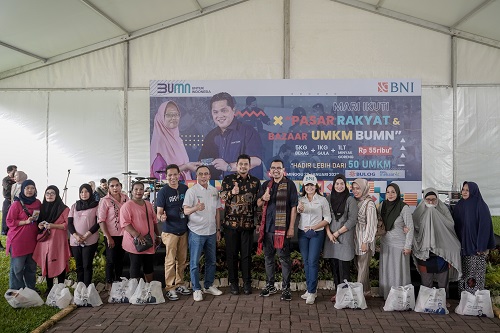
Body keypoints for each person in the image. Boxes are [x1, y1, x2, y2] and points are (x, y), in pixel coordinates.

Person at [219, 154, 261, 295]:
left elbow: (258, 205)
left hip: (248, 226)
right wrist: (232, 192)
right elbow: (222, 197)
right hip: (231, 225)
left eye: (246, 164)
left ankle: (247, 283)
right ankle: (234, 283)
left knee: (246, 255)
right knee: (231, 255)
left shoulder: (255, 182)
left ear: (249, 166)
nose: (243, 166)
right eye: (241, 164)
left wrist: (259, 222)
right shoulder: (228, 179)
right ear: (236, 165)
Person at [256, 159, 298, 301]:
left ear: (283, 169)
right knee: (268, 258)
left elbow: (294, 207)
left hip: (283, 229)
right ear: (270, 170)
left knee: (284, 259)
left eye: (278, 168)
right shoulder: (266, 185)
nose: (276, 170)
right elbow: (258, 203)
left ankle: (286, 288)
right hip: (267, 229)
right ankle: (270, 285)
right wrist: (264, 197)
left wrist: (291, 226)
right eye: (273, 168)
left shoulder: (290, 185)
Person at [198, 92, 264, 180]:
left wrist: (229, 167)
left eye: (224, 110)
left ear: (233, 110)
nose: (219, 115)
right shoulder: (210, 136)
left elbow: (256, 160)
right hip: (218, 189)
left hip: (244, 188)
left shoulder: (247, 131)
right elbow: (203, 162)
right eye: (215, 112)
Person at [412, 188, 461, 299]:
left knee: (443, 282)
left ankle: (443, 301)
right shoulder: (419, 211)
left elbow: (450, 225)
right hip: (424, 252)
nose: (430, 202)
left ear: (437, 199)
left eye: (433, 200)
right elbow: (414, 227)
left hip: (441, 252)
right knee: (426, 282)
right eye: (428, 199)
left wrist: (437, 218)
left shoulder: (443, 209)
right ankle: (425, 301)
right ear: (424, 199)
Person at [183, 165, 223, 301]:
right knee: (194, 263)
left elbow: (217, 211)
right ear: (196, 176)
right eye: (201, 174)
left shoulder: (214, 191)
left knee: (211, 261)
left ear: (210, 176)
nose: (203, 176)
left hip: (211, 232)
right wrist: (196, 208)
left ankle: (208, 285)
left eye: (206, 174)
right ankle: (196, 289)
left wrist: (218, 229)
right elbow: (185, 211)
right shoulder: (191, 192)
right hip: (196, 232)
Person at [156, 164, 192, 301]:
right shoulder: (163, 192)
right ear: (166, 176)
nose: (172, 177)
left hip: (183, 230)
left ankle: (180, 283)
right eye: (169, 175)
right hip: (170, 231)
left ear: (179, 175)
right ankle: (170, 288)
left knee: (182, 260)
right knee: (170, 260)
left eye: (175, 174)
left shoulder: (184, 188)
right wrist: (161, 217)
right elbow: (159, 212)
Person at [453, 181, 496, 294]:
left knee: (475, 276)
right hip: (462, 248)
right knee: (464, 275)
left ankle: (475, 301)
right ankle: (464, 301)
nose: (464, 192)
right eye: (463, 189)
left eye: (467, 190)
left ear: (473, 191)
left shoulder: (480, 205)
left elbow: (485, 228)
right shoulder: (459, 205)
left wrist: (481, 247)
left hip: (476, 250)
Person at [323, 174, 358, 302]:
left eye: (342, 184)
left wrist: (337, 233)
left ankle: (345, 293)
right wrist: (329, 233)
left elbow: (352, 220)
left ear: (345, 185)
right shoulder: (328, 199)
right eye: (337, 184)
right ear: (333, 185)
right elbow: (325, 218)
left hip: (344, 238)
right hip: (331, 238)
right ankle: (338, 293)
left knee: (344, 267)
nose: (339, 186)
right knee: (335, 266)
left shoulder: (350, 200)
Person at [297, 174, 331, 304]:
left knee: (312, 261)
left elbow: (328, 218)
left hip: (316, 233)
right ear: (304, 187)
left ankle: (311, 291)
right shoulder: (301, 199)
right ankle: (311, 289)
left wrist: (314, 227)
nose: (309, 187)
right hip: (303, 233)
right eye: (307, 185)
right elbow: (299, 211)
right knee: (306, 261)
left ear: (316, 186)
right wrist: (299, 209)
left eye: (312, 185)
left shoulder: (322, 200)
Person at [378, 183, 414, 300]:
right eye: (388, 192)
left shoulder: (403, 207)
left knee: (399, 272)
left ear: (398, 193)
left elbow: (410, 227)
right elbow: (377, 219)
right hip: (385, 243)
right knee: (387, 270)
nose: (390, 194)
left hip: (400, 245)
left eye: (393, 192)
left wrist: (408, 246)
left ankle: (400, 297)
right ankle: (387, 295)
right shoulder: (382, 205)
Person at [33, 185, 71, 293]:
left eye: (52, 193)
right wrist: (39, 225)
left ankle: (61, 287)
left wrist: (53, 226)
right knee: (47, 261)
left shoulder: (63, 208)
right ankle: (49, 289)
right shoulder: (42, 208)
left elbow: (67, 225)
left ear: (57, 195)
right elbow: (37, 222)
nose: (49, 195)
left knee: (60, 260)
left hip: (58, 240)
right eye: (47, 193)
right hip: (45, 240)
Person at [120, 182, 161, 282]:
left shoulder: (148, 204)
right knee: (135, 266)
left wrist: (158, 235)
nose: (139, 191)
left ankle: (149, 288)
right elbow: (126, 224)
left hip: (148, 241)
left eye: (141, 189)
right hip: (134, 242)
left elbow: (154, 221)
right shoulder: (127, 206)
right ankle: (135, 291)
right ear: (132, 191)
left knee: (149, 266)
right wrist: (138, 236)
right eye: (136, 189)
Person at [150, 100, 200, 180]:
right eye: (169, 115)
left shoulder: (177, 139)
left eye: (176, 114)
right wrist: (186, 166)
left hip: (183, 187)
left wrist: (188, 166)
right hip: (169, 189)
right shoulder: (159, 142)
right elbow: (160, 174)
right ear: (160, 117)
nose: (173, 118)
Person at [5, 179, 41, 290]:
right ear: (23, 189)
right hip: (18, 241)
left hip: (32, 241)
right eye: (27, 188)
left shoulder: (38, 203)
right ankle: (16, 292)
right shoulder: (16, 204)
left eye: (32, 188)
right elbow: (9, 221)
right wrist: (25, 222)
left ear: (35, 190)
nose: (30, 190)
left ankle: (30, 290)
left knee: (31, 267)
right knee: (17, 268)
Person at [98, 177, 129, 289]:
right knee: (111, 259)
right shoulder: (105, 201)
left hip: (124, 234)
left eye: (117, 185)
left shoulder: (126, 198)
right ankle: (109, 283)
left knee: (120, 259)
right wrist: (108, 237)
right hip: (111, 235)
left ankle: (118, 281)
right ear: (108, 188)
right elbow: (101, 220)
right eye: (112, 186)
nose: (115, 188)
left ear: (120, 186)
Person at [68, 184, 100, 286]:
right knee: (79, 266)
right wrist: (76, 236)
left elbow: (98, 223)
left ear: (90, 193)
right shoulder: (74, 206)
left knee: (87, 265)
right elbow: (69, 223)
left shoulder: (96, 206)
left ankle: (87, 287)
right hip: (75, 241)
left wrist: (86, 235)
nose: (84, 194)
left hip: (90, 240)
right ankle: (80, 287)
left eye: (86, 191)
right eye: (81, 192)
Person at [351, 178, 377, 295]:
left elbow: (371, 225)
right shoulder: (355, 201)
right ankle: (366, 291)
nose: (355, 191)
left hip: (364, 240)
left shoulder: (369, 204)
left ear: (365, 189)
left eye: (358, 188)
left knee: (362, 268)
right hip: (356, 240)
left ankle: (358, 296)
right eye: (354, 188)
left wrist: (365, 241)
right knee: (360, 267)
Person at [2, 165, 17, 236]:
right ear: (8, 172)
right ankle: (4, 231)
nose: (15, 173)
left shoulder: (17, 179)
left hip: (15, 201)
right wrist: (14, 183)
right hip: (8, 200)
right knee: (5, 216)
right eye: (14, 171)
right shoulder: (5, 180)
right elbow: (8, 188)